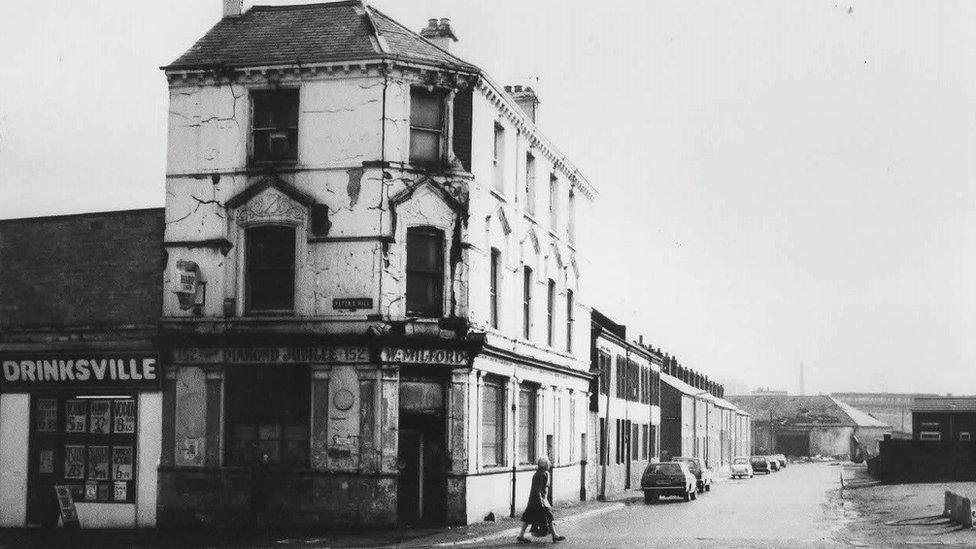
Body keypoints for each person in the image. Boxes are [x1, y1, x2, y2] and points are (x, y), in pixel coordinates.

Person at [517, 457, 565, 544]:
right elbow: (537, 490)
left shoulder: (543, 473)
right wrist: (542, 503)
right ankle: (554, 535)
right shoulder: (540, 475)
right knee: (548, 516)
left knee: (527, 517)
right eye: (548, 463)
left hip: (535, 500)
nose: (549, 464)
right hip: (538, 501)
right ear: (545, 465)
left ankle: (521, 536)